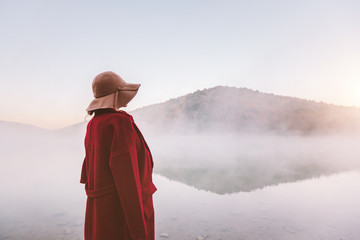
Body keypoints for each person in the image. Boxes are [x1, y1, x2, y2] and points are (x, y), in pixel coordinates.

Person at [80, 71, 156, 240]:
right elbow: (128, 178)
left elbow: (88, 169)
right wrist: (138, 230)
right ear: (117, 96)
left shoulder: (94, 124)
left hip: (100, 208)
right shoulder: (119, 123)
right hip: (120, 207)